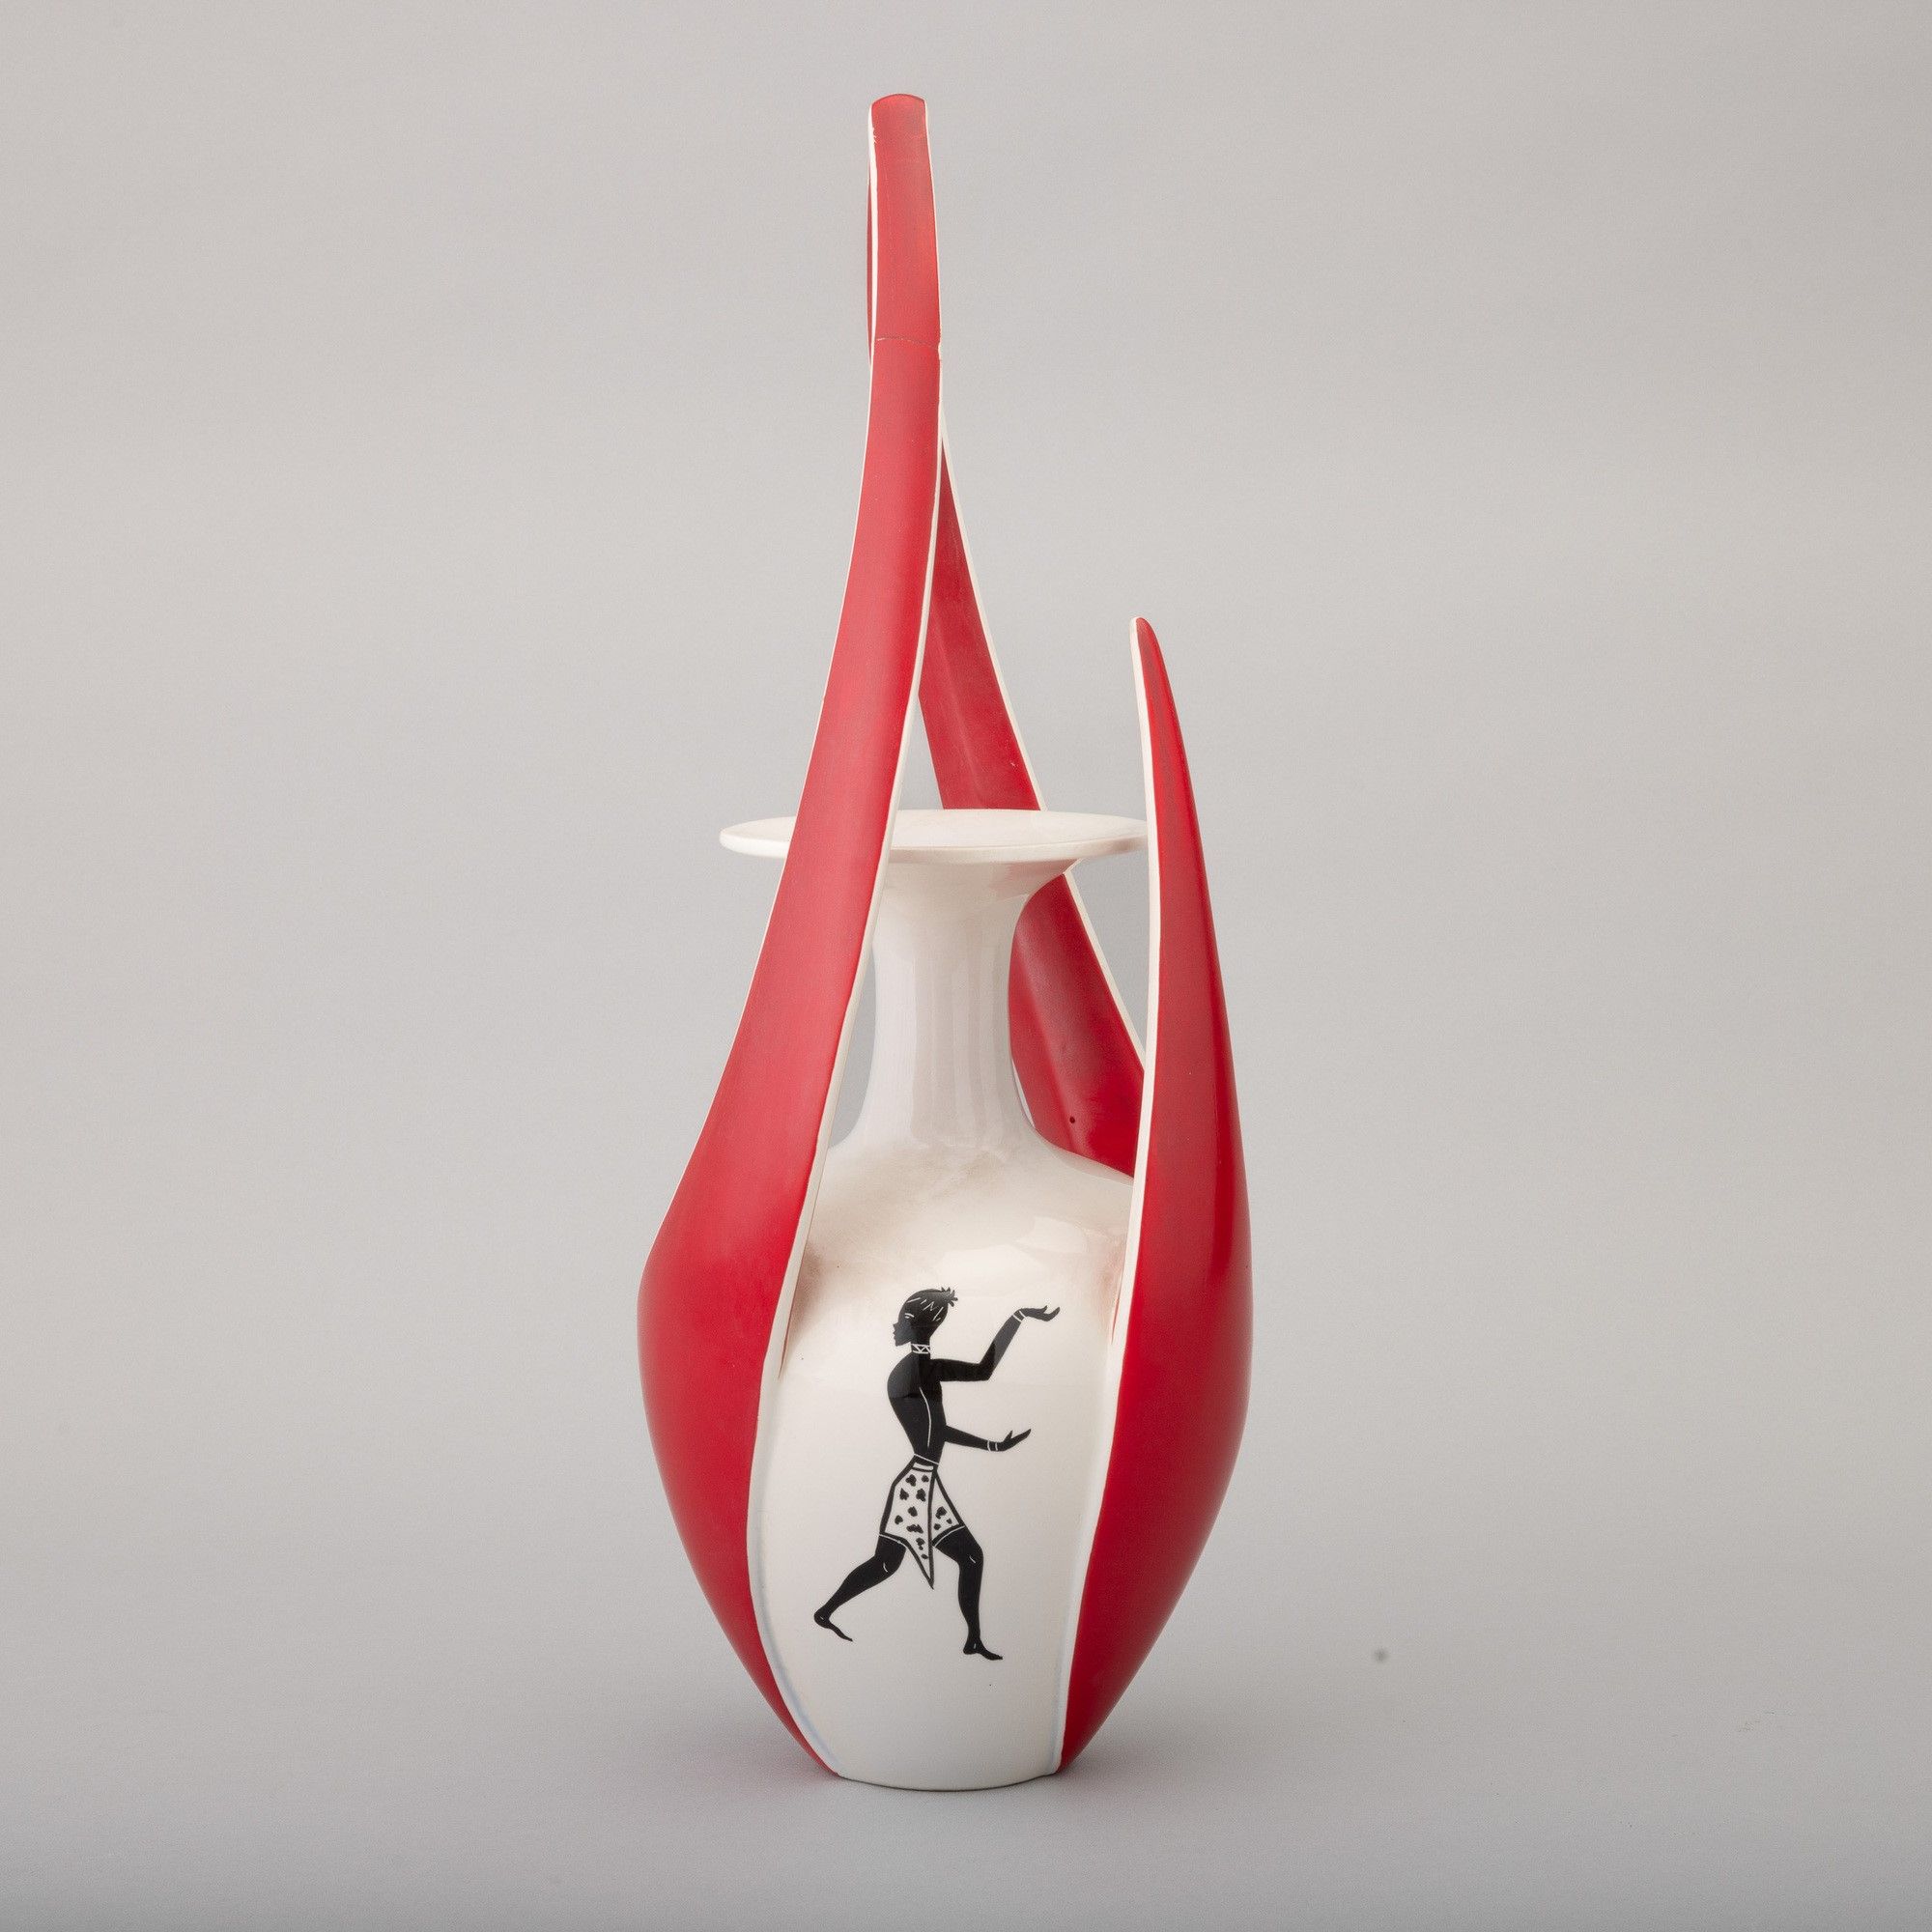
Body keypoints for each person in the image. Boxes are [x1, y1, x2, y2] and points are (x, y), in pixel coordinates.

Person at [813, 1288, 1058, 1659]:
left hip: (925, 1482)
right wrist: (992, 1446)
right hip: (916, 1485)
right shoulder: (911, 1373)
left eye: (900, 1320)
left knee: (957, 1558)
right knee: (890, 1563)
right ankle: (825, 1611)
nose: (894, 1327)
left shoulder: (923, 1370)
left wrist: (1018, 1317)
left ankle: (972, 1639)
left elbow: (980, 1374)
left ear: (914, 1325)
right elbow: (938, 1431)